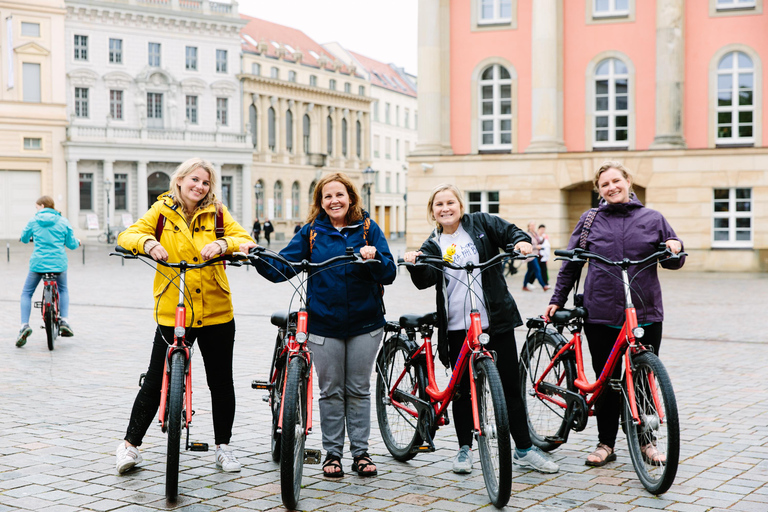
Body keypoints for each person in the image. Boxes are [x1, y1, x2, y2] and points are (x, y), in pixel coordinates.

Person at [240, 172, 396, 478]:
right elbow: (284, 267)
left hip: (366, 323)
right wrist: (257, 255)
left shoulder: (368, 228)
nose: (334, 200)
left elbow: (388, 273)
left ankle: (361, 453)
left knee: (359, 388)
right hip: (323, 323)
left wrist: (374, 257)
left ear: (350, 197)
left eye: (340, 195)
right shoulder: (312, 232)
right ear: (320, 202)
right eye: (328, 196)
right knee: (331, 390)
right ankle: (332, 454)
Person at [403, 183, 559, 475]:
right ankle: (465, 449)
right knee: (462, 391)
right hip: (457, 328)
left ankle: (524, 449)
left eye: (450, 202)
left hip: (495, 321)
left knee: (511, 387)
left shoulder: (483, 224)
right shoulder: (433, 243)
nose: (445, 208)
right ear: (432, 212)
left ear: (460, 206)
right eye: (439, 205)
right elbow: (424, 279)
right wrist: (414, 262)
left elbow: (510, 232)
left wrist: (521, 242)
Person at [114, 158, 253, 475]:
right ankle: (129, 446)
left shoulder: (217, 212)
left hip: (216, 309)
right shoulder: (161, 211)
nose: (200, 187)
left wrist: (223, 243)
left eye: (205, 182)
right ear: (179, 180)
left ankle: (223, 448)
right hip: (172, 308)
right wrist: (148, 242)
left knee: (220, 382)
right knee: (154, 380)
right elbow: (128, 235)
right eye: (194, 180)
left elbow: (245, 240)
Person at [545, 161, 685, 467]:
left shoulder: (653, 218)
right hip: (602, 312)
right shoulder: (590, 220)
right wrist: (557, 299)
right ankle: (606, 443)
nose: (611, 187)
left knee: (643, 379)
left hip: (645, 311)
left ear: (628, 181)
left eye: (615, 181)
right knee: (608, 381)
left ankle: (646, 443)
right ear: (599, 190)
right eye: (604, 184)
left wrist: (675, 246)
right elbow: (571, 264)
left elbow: (674, 261)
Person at [17, 196, 80, 347]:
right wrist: (76, 242)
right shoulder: (63, 221)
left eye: (37, 207)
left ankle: (24, 325)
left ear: (42, 205)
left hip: (38, 264)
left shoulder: (33, 221)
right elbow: (72, 244)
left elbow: (24, 239)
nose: (36, 210)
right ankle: (64, 320)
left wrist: (29, 238)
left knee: (26, 293)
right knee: (63, 289)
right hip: (58, 264)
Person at [522, 221, 549, 292]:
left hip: (536, 254)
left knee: (529, 271)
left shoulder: (535, 234)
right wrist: (536, 247)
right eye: (532, 225)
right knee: (537, 269)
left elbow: (539, 242)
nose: (533, 227)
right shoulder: (527, 234)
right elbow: (527, 244)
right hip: (530, 256)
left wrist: (543, 239)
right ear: (529, 227)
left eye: (534, 225)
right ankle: (544, 286)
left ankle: (524, 286)